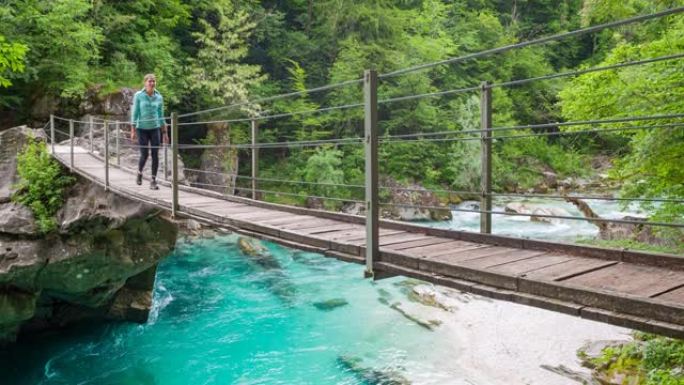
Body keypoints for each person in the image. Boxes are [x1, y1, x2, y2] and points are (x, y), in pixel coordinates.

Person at [130, 73, 168, 190]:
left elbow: (161, 115)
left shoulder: (159, 97)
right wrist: (133, 130)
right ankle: (140, 173)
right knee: (145, 154)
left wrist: (165, 132)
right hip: (142, 129)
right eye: (149, 81)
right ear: (145, 83)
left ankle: (153, 180)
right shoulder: (139, 95)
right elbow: (135, 112)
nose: (152, 83)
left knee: (155, 155)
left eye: (153, 81)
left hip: (155, 128)